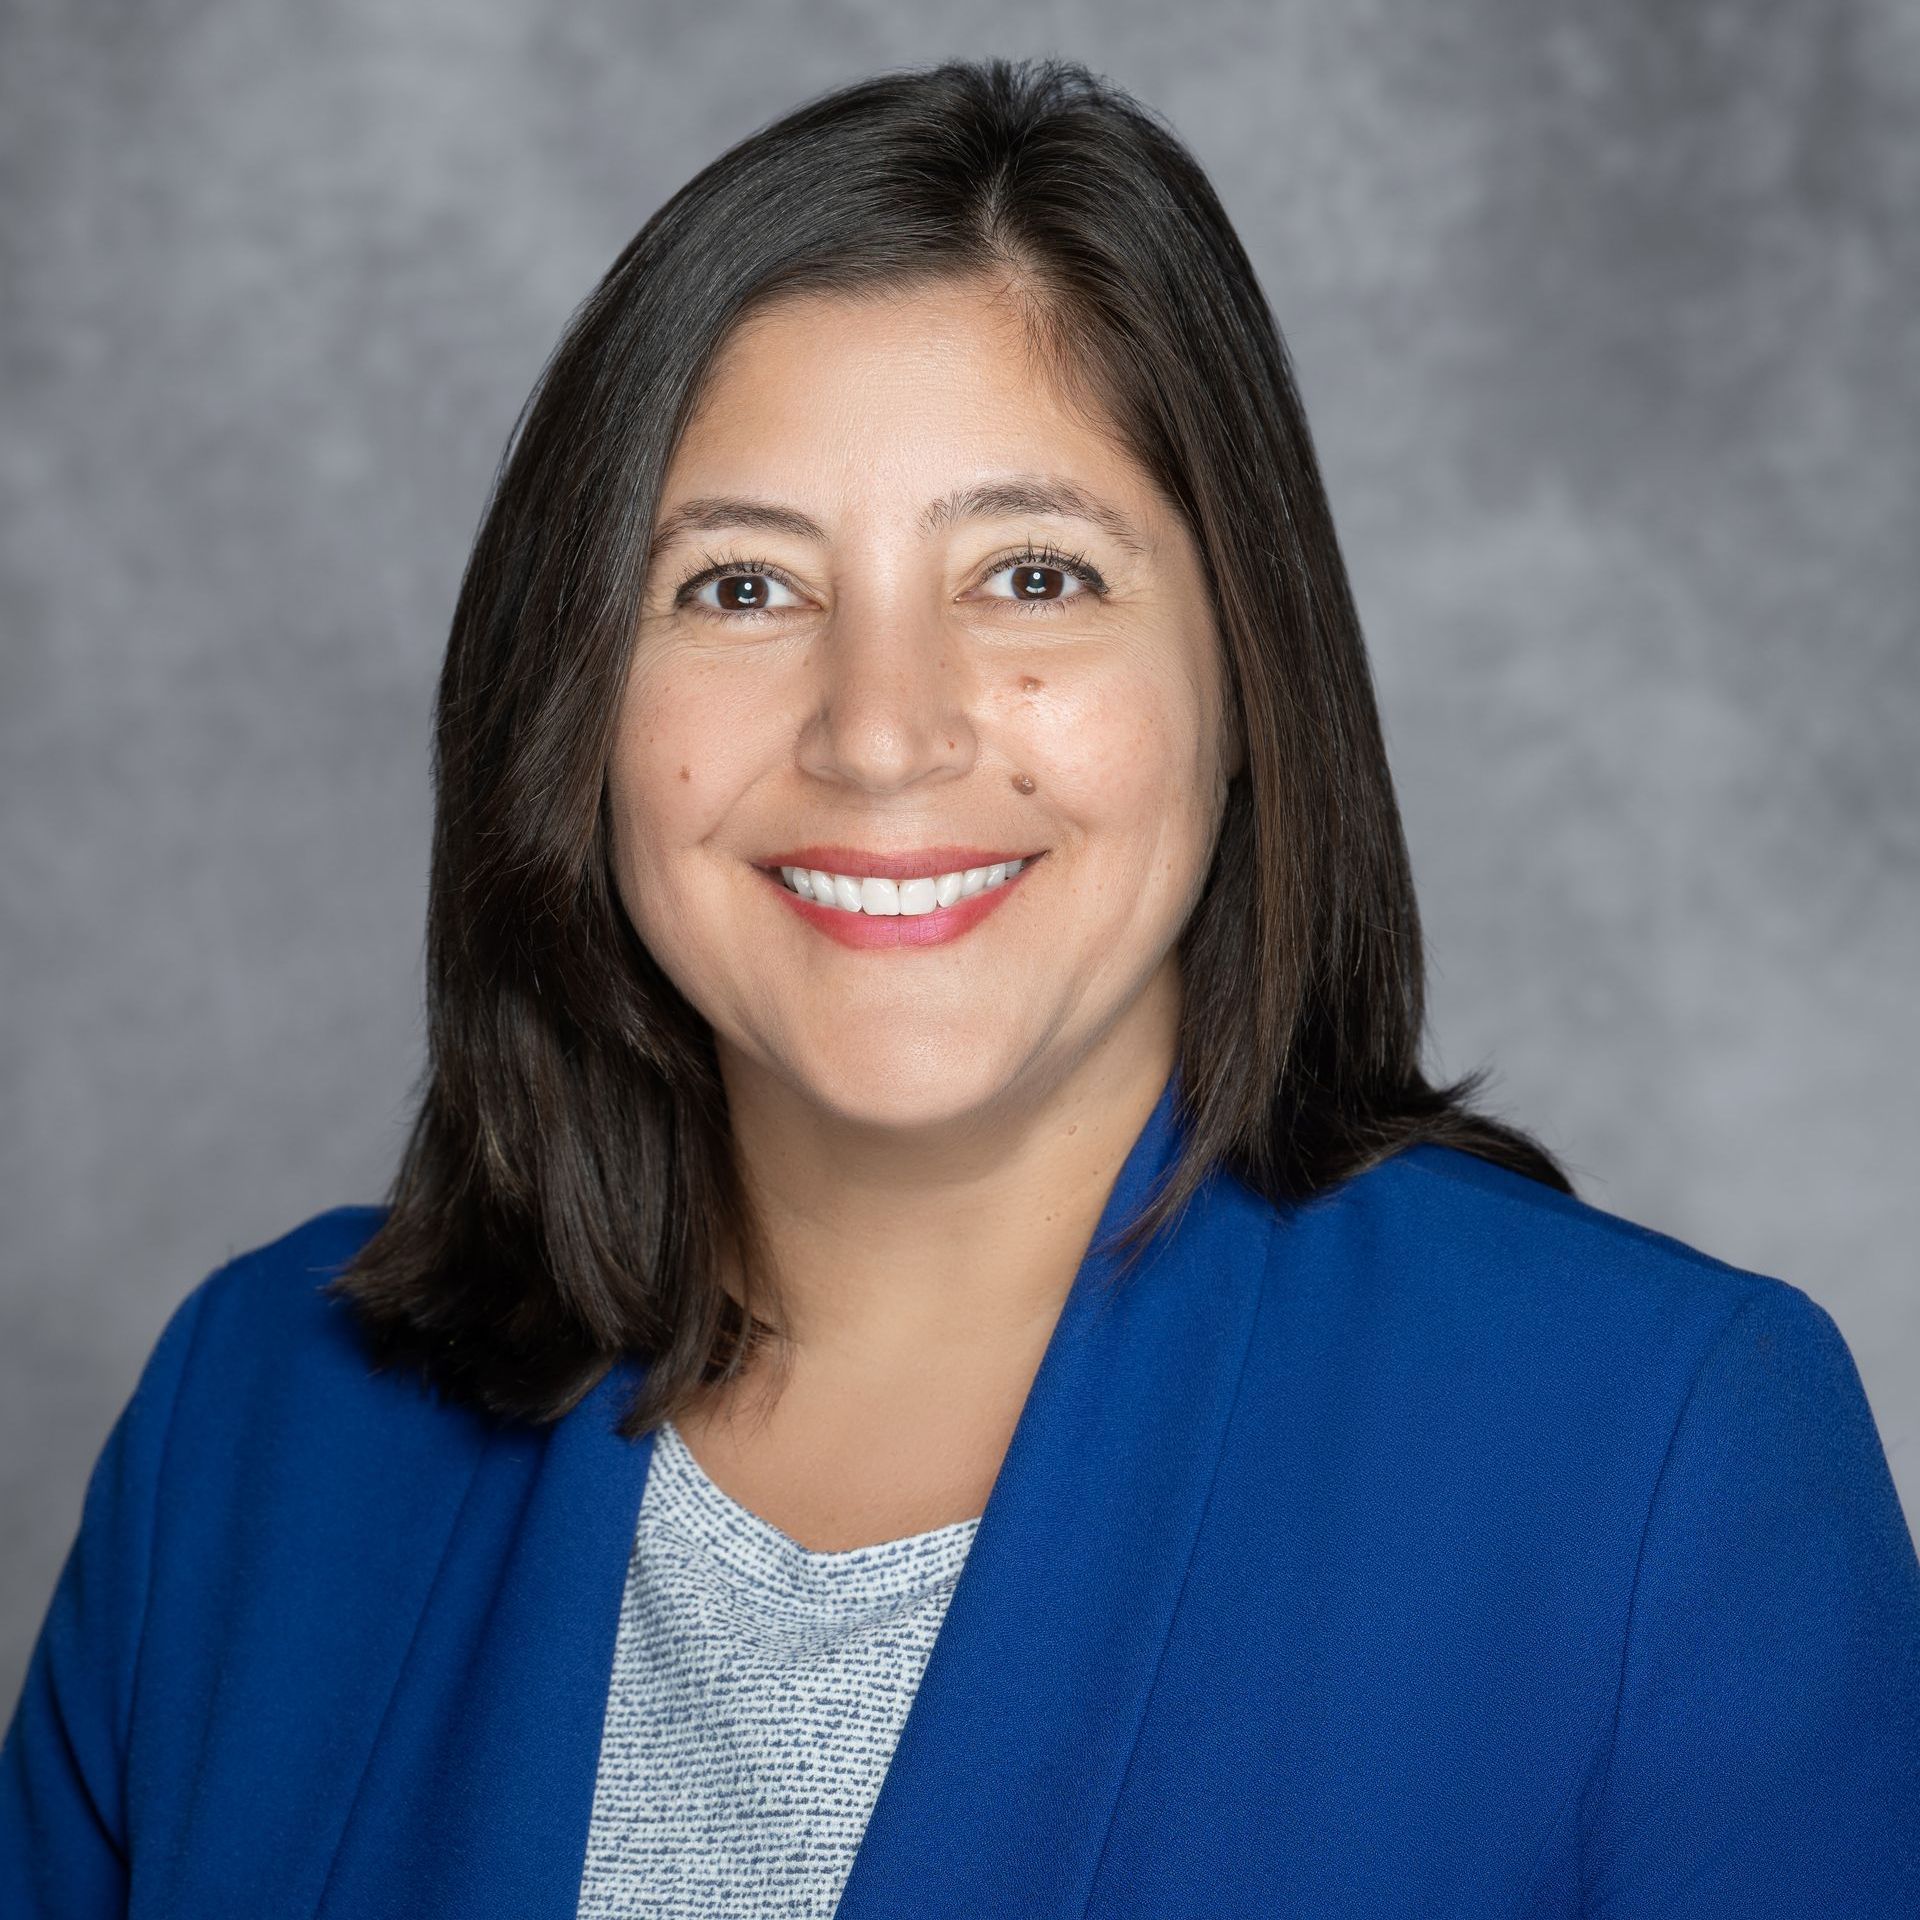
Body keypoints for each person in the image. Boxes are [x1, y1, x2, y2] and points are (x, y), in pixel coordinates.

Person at [4, 53, 1916, 1920]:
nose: (881, 731)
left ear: (1246, 674)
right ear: (572, 699)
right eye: (741, 587)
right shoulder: (251, 1433)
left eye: (1034, 574)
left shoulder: (1658, 1464)